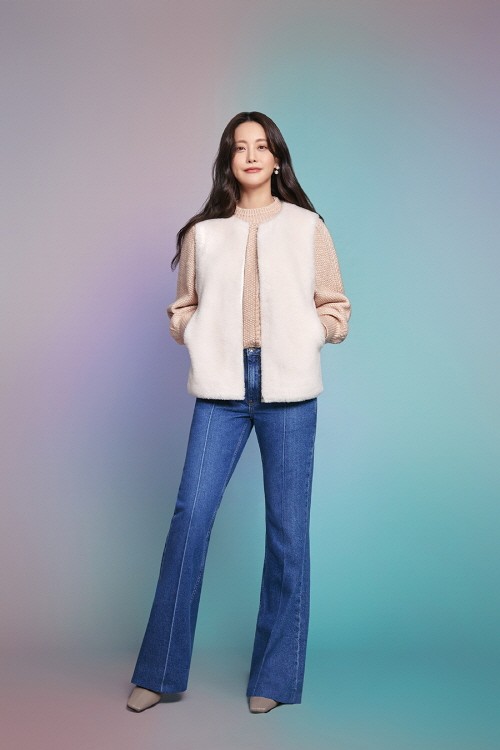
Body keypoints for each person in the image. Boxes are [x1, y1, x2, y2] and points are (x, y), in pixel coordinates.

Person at [127, 111, 351, 714]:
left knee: (287, 534)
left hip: (290, 390)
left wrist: (311, 333)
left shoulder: (307, 227)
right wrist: (195, 332)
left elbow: (335, 306)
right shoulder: (204, 234)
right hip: (221, 388)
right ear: (229, 160)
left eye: (261, 146)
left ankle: (273, 679)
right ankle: (160, 671)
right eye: (239, 147)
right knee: (191, 518)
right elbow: (183, 306)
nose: (251, 155)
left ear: (277, 159)